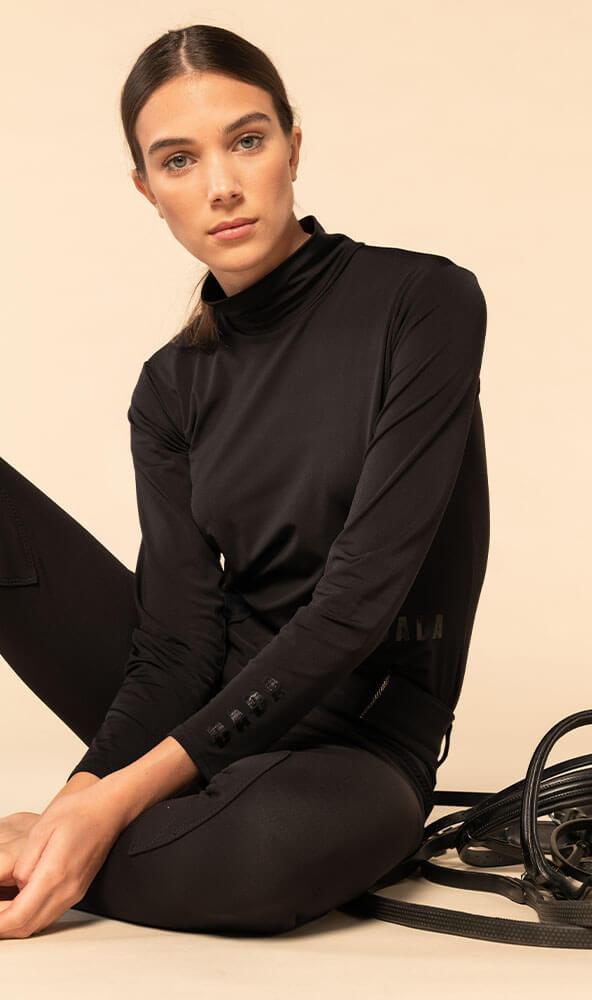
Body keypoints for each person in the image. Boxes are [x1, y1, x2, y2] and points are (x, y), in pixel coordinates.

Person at [0, 23, 489, 938]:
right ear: (148, 191)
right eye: (179, 161)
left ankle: (60, 851)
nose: (220, 186)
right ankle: (91, 839)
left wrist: (110, 805)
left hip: (356, 744)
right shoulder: (169, 385)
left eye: (247, 141)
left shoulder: (423, 303)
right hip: (198, 704)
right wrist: (84, 794)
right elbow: (177, 641)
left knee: (259, 851)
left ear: (293, 147)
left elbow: (355, 608)